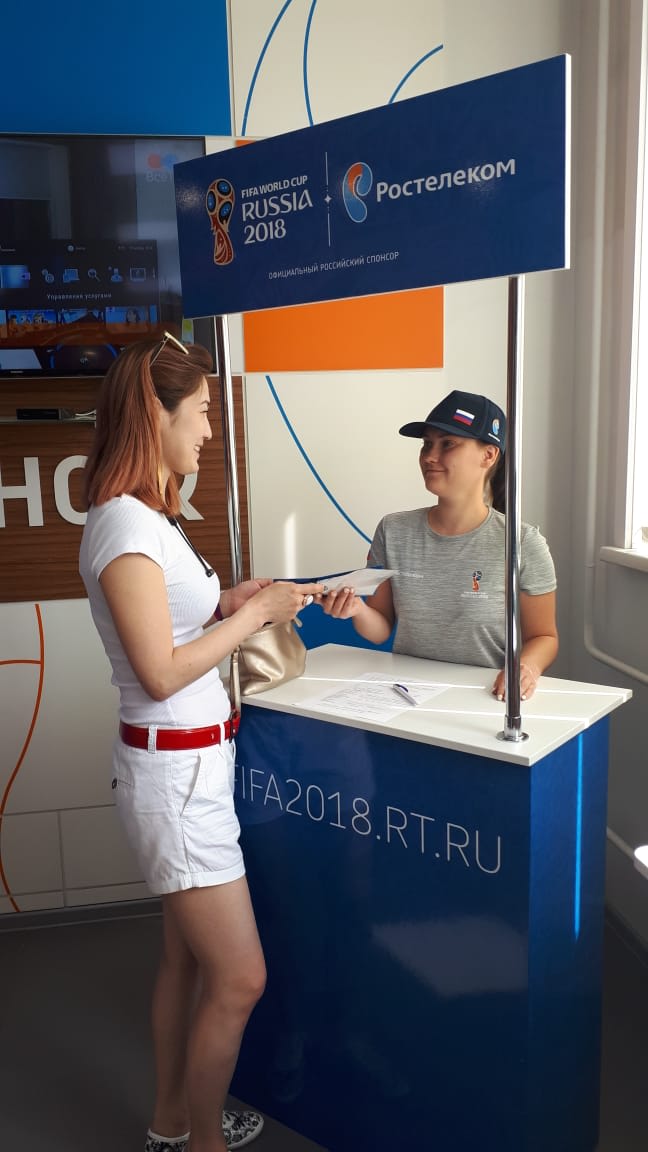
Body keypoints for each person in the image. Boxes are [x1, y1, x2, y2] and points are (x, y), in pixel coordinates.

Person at [79, 331, 322, 1152]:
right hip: (175, 781)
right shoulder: (123, 525)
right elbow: (159, 671)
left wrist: (235, 601)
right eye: (204, 413)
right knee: (241, 978)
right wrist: (252, 619)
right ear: (157, 413)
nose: (210, 431)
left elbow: (180, 623)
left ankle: (172, 1123)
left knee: (186, 965)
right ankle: (203, 1144)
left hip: (193, 766)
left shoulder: (153, 515)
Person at [320, 390, 558, 700]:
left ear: (488, 455)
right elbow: (380, 630)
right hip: (405, 694)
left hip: (485, 696)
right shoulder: (393, 530)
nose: (430, 456)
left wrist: (525, 668)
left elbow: (544, 636)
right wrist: (356, 609)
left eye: (448, 444)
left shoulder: (522, 542)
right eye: (426, 444)